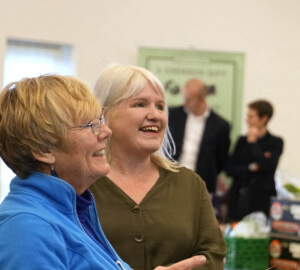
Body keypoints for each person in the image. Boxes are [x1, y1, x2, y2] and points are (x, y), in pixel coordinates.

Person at [0, 74, 205, 270]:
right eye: (90, 125)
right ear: (43, 150)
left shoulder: (76, 210)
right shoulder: (27, 228)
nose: (106, 132)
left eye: (101, 121)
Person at [89, 65, 226, 270]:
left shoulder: (189, 184)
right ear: (105, 114)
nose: (155, 115)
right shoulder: (82, 183)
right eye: (140, 104)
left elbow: (213, 254)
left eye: (161, 106)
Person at [168, 78, 231, 194]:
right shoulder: (172, 116)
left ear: (202, 99)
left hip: (202, 185)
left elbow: (221, 159)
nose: (185, 103)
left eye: (189, 100)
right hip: (171, 180)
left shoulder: (221, 125)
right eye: (184, 98)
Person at [225, 99, 284, 221]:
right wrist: (251, 167)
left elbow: (268, 166)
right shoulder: (241, 141)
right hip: (239, 198)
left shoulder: (275, 142)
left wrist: (253, 144)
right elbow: (230, 169)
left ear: (264, 119)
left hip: (261, 201)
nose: (247, 120)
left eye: (251, 117)